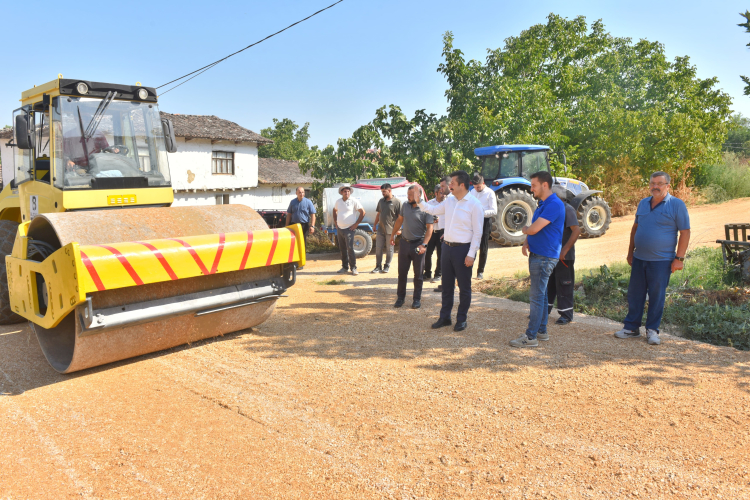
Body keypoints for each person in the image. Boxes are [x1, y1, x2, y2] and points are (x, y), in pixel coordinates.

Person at [615, 171, 690, 345]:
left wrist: (679, 258)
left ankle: (652, 330)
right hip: (639, 258)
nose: (655, 186)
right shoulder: (643, 203)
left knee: (657, 296)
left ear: (667, 186)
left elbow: (685, 232)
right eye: (652, 183)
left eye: (659, 183)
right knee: (635, 294)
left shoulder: (677, 205)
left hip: (662, 261)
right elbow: (635, 228)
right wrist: (630, 252)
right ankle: (632, 328)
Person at [419, 171, 484, 332]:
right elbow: (432, 209)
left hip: (463, 250)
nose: (449, 186)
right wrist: (419, 200)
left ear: (462, 185)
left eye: (452, 183)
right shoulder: (449, 201)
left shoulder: (474, 204)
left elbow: (478, 232)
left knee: (464, 287)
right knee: (447, 287)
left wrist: (471, 254)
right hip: (447, 248)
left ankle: (461, 319)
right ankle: (445, 317)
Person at [510, 171, 565, 348]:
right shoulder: (543, 204)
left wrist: (526, 231)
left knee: (536, 297)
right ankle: (541, 331)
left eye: (533, 185)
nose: (531, 188)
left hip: (544, 257)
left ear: (544, 185)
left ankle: (531, 336)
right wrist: (527, 241)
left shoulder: (554, 204)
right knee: (540, 296)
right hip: (539, 255)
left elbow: (534, 228)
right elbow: (536, 229)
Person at [390, 186, 434, 309]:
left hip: (418, 245)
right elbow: (399, 220)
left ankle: (416, 299)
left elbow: (430, 228)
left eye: (411, 195)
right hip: (404, 244)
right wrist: (393, 235)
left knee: (418, 274)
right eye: (408, 194)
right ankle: (400, 298)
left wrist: (424, 244)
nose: (408, 197)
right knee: (402, 273)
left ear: (418, 196)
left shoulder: (426, 209)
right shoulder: (405, 205)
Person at [546, 196, 581, 325]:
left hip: (564, 256)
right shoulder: (551, 208)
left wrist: (564, 250)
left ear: (559, 197)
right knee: (549, 283)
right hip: (551, 254)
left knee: (564, 284)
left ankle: (566, 314)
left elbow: (576, 231)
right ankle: (545, 310)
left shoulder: (568, 210)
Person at [469, 172, 498, 280]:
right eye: (475, 187)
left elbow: (494, 210)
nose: (477, 189)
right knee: (472, 245)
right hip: (473, 221)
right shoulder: (472, 191)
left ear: (483, 183)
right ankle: (469, 269)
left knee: (483, 247)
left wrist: (480, 212)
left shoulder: (490, 193)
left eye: (479, 187)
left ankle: (480, 271)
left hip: (485, 221)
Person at [333, 185, 365, 276]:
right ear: (341, 193)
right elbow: (334, 210)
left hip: (349, 229)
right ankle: (344, 267)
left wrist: (356, 224)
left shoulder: (354, 201)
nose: (346, 193)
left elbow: (363, 212)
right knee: (342, 249)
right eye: (345, 191)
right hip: (340, 229)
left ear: (350, 193)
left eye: (348, 191)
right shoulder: (338, 202)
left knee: (350, 248)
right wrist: (335, 222)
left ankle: (354, 268)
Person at [372, 183, 402, 274]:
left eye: (384, 192)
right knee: (378, 248)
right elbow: (378, 214)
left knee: (389, 249)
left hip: (391, 231)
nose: (383, 193)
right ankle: (378, 266)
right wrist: (374, 225)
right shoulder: (381, 201)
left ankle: (387, 266)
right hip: (380, 229)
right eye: (382, 192)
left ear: (389, 191)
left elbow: (400, 217)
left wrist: (399, 229)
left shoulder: (397, 202)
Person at [286, 187, 316, 270]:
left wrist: (312, 226)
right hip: (294, 226)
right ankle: (294, 262)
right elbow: (289, 214)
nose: (301, 194)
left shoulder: (308, 202)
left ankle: (301, 263)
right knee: (293, 244)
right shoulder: (293, 202)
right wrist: (286, 226)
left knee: (302, 244)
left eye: (303, 192)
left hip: (304, 226)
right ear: (296, 193)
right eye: (299, 192)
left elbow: (313, 215)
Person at [432, 176, 452, 293]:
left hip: (447, 232)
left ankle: (448, 285)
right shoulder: (449, 199)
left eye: (443, 186)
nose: (441, 189)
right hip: (444, 232)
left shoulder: (452, 199)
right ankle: (446, 284)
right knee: (445, 259)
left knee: (446, 259)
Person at [424, 184, 446, 283]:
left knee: (440, 255)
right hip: (431, 232)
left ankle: (438, 274)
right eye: (441, 193)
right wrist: (431, 220)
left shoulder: (448, 203)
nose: (443, 195)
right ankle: (427, 272)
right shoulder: (430, 203)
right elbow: (424, 217)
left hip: (443, 232)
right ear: (435, 193)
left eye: (444, 193)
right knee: (427, 253)